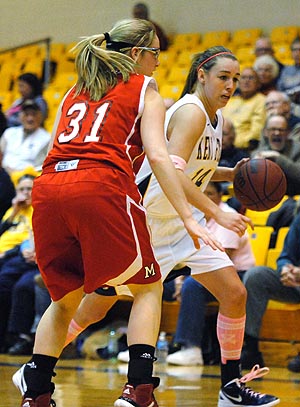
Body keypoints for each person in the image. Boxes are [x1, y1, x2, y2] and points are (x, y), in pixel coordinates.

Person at [63, 46, 279, 407]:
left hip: (181, 226)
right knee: (98, 306)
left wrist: (237, 173)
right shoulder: (191, 112)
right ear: (202, 75)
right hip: (147, 222)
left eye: (236, 80)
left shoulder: (216, 117)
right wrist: (218, 212)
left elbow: (197, 167)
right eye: (224, 77)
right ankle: (44, 363)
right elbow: (172, 176)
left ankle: (230, 388)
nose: (231, 86)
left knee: (234, 294)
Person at [12, 19, 208, 407]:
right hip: (99, 186)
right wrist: (188, 215)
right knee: (148, 286)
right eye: (154, 53)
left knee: (65, 297)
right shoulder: (143, 87)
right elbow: (157, 154)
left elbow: (54, 150)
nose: (157, 62)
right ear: (137, 54)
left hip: (49, 188)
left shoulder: (74, 90)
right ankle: (139, 389)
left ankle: (36, 391)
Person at [165, 181, 255, 367]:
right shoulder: (195, 216)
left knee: (192, 285)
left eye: (211, 194)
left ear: (220, 196)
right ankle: (144, 347)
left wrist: (185, 280)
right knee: (153, 283)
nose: (205, 198)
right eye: (201, 193)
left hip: (238, 274)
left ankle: (191, 348)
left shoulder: (228, 217)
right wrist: (180, 280)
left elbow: (221, 261)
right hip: (197, 271)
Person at [241, 211, 300, 372]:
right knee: (256, 276)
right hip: (295, 282)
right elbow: (285, 256)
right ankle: (250, 347)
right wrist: (285, 270)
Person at [0, 173, 35, 351]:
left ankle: (12, 336)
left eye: (29, 189)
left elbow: (28, 242)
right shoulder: (13, 210)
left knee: (6, 283)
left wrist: (6, 254)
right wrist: (13, 211)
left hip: (18, 257)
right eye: (21, 189)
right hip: (8, 257)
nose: (25, 193)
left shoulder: (37, 208)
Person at [251, 113, 300, 196]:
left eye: (281, 129)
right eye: (273, 129)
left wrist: (278, 157)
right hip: (267, 199)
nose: (277, 133)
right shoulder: (258, 153)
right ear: (266, 132)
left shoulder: (297, 148)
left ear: (288, 133)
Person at [0, 100, 51, 174]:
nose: (30, 119)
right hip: (3, 174)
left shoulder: (46, 138)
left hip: (26, 178)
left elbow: (40, 167)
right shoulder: (9, 132)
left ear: (40, 117)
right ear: (20, 116)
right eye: (26, 114)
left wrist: (17, 173)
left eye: (34, 114)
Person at [222, 67, 266, 152]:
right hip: (222, 146)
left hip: (243, 150)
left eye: (251, 78)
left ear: (258, 84)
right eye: (243, 78)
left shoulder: (261, 101)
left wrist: (231, 143)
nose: (246, 81)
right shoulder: (231, 101)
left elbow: (255, 135)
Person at [277, 36, 300, 108]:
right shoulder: (286, 70)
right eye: (294, 50)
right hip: (287, 105)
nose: (297, 53)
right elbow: (279, 90)